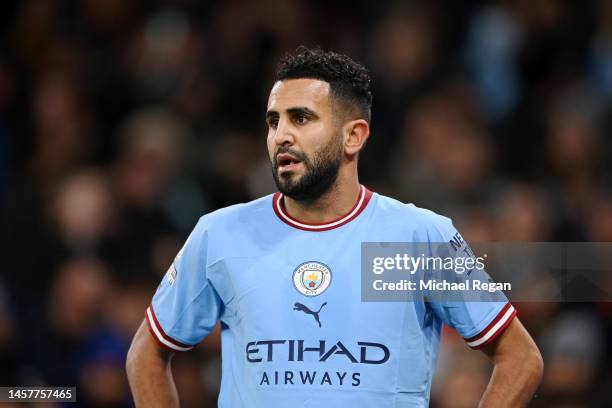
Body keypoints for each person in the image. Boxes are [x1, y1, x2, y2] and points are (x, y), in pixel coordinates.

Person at [126, 47, 543, 407]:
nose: (281, 135)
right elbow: (146, 352)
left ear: (354, 137)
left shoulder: (418, 237)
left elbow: (520, 358)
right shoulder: (220, 234)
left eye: (301, 118)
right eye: (274, 121)